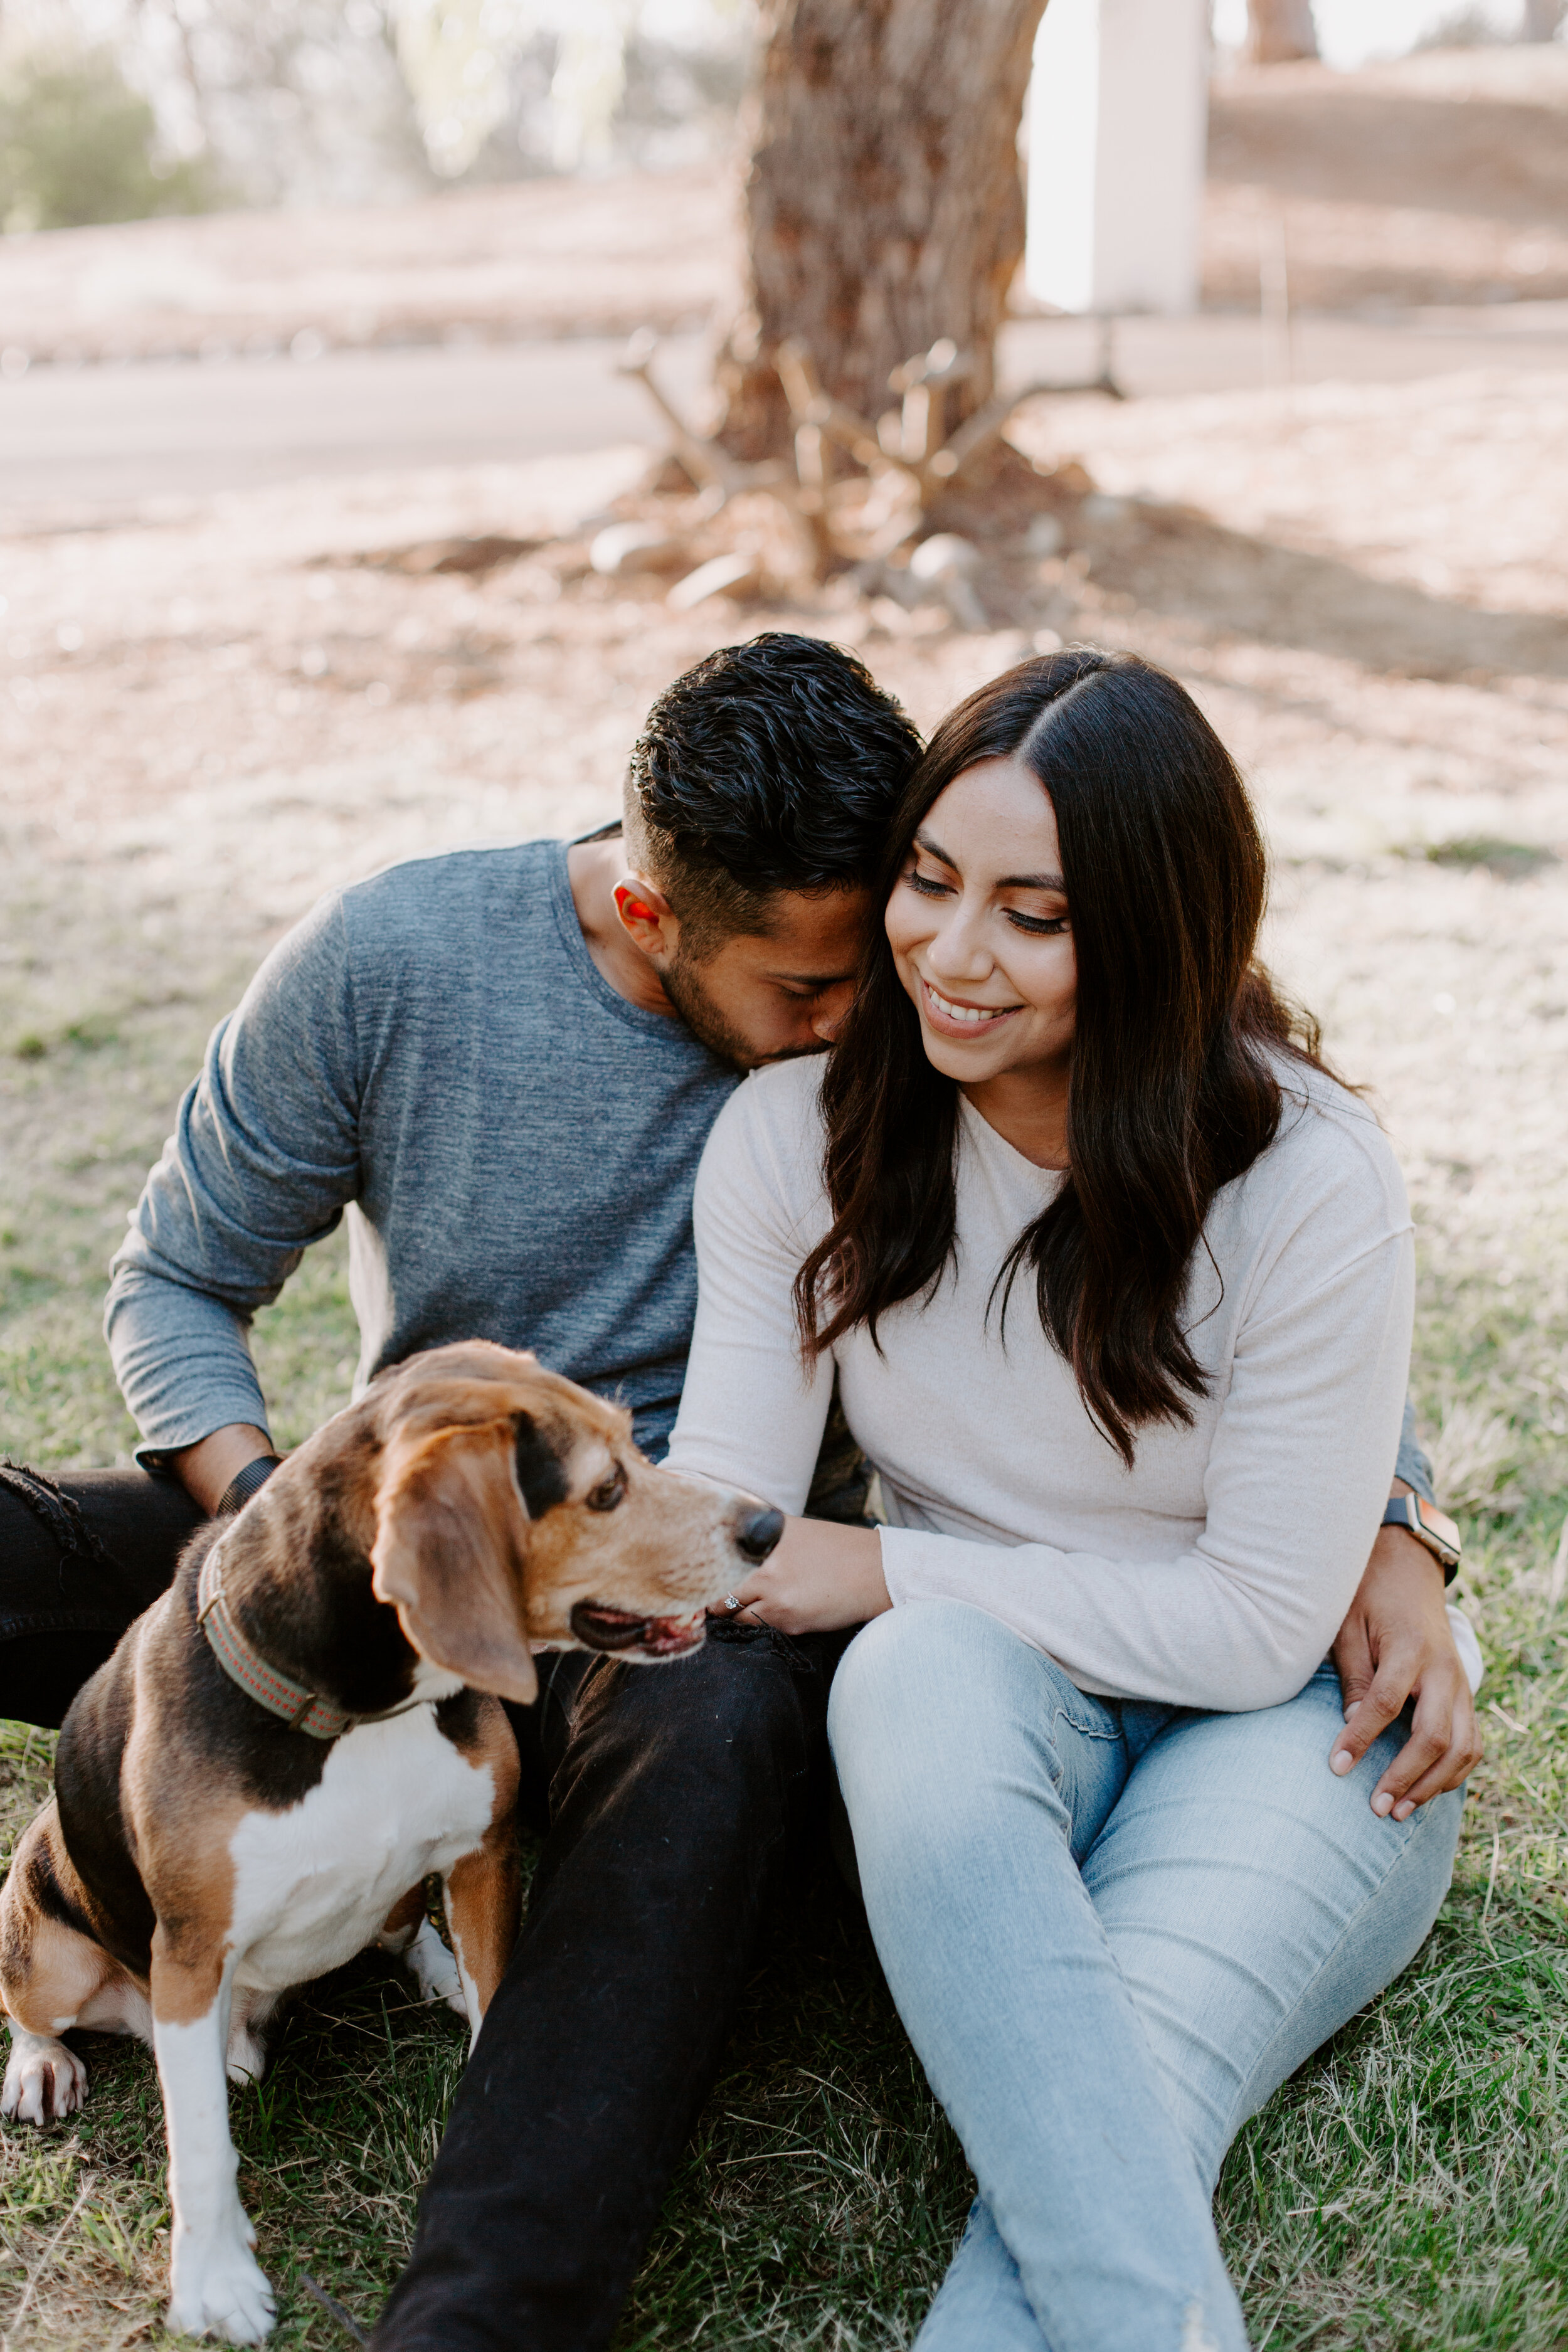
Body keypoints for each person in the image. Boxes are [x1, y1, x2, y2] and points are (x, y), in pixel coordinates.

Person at [0, 635, 1471, 2351]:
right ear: (654, 919)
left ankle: (484, 2317)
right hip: (420, 1521)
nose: (900, 990)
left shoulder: (1004, 1067)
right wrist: (299, 1545)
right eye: (841, 962)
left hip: (723, 1588)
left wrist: (1397, 1519)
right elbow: (177, 1282)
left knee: (725, 1768)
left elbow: (1239, 1299)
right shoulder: (457, 985)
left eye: (1001, 915)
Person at [662, 648, 1481, 2352]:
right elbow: (728, 1514)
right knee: (907, 1671)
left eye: (1034, 916)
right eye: (930, 882)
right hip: (979, 1707)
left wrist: (885, 1567)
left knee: (1118, 2110)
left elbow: (1258, 1624)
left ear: (1157, 931)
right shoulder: (790, 1138)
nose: (952, 957)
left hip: (1290, 1739)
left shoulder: (1306, 1178)